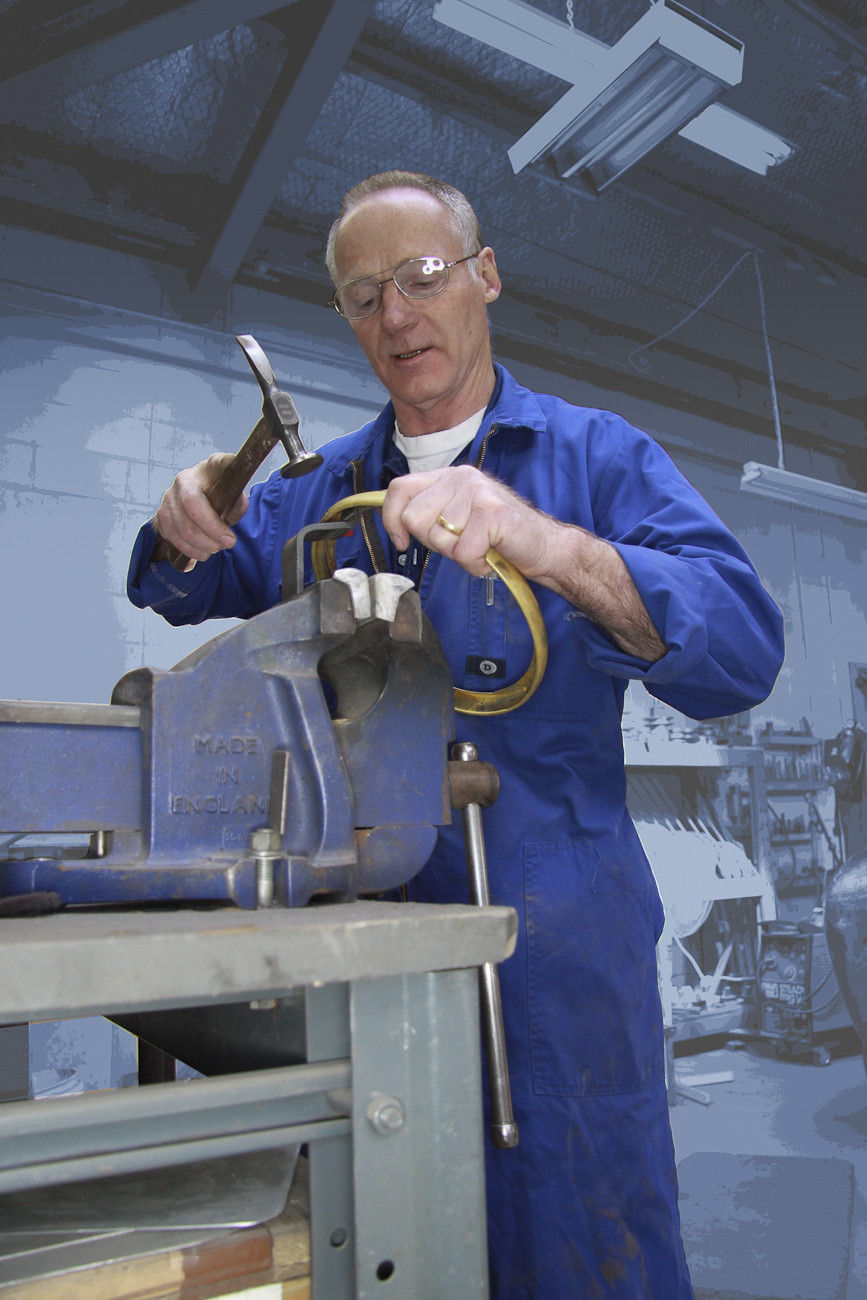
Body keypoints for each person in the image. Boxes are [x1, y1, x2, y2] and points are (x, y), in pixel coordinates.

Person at [128, 170, 784, 1298]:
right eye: (364, 291)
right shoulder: (320, 489)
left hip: (556, 946)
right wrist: (182, 517)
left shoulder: (596, 460)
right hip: (360, 941)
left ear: (484, 277)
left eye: (423, 277)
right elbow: (177, 586)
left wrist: (543, 542)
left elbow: (741, 647)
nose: (396, 314)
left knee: (587, 1243)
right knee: (388, 1242)